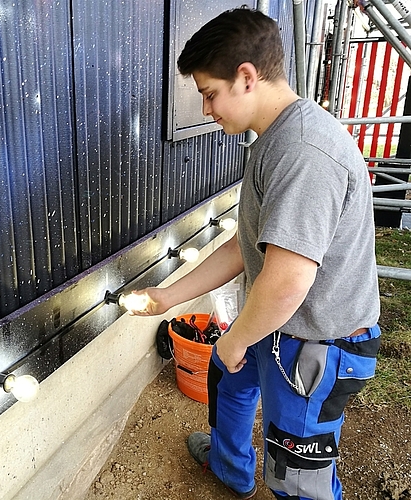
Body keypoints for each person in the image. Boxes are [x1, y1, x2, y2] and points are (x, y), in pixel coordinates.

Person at [129, 7, 381, 500]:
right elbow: (247, 246)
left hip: (318, 343)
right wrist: (167, 296)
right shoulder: (276, 138)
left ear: (246, 77)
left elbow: (287, 282)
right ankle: (230, 467)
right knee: (228, 382)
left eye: (209, 93)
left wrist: (235, 339)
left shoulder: (304, 152)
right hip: (277, 323)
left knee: (295, 476)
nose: (206, 110)